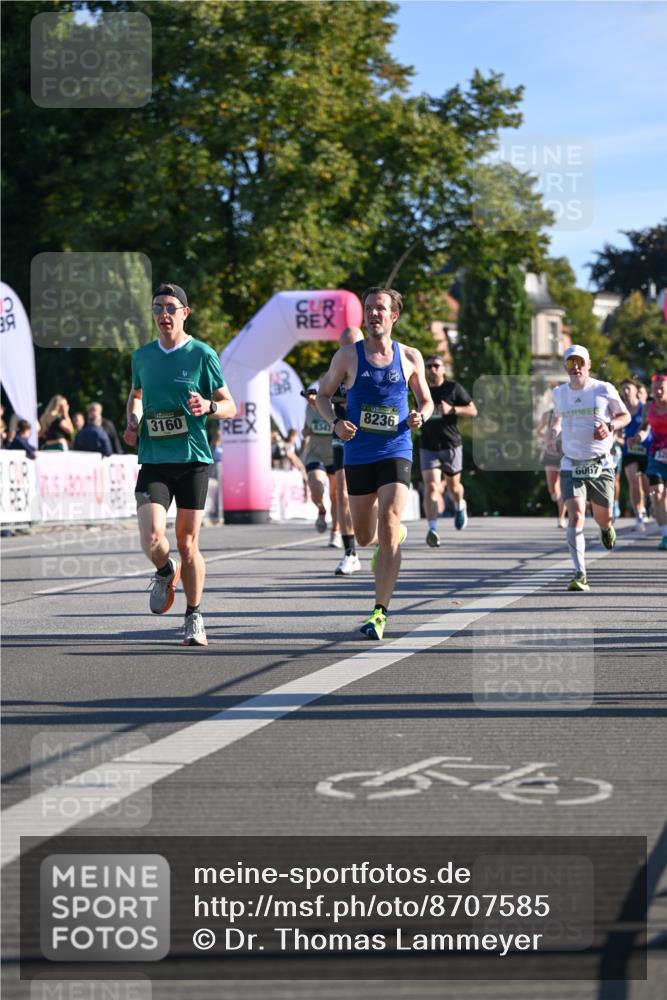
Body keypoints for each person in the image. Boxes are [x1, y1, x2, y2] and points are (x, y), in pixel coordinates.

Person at [124, 282, 236, 646]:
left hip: (192, 460)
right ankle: (163, 569)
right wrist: (133, 419)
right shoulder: (141, 356)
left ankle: (194, 615)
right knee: (153, 537)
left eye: (171, 307)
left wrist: (211, 407)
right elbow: (136, 397)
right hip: (154, 459)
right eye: (157, 308)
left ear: (185, 313)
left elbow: (231, 404)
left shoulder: (203, 354)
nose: (163, 315)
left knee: (188, 543)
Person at [316, 287, 432, 639]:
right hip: (359, 453)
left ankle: (379, 612)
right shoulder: (347, 357)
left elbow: (426, 401)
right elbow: (322, 395)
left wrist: (420, 417)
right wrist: (335, 421)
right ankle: (385, 539)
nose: (373, 314)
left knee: (390, 520)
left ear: (394, 315)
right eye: (368, 308)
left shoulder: (410, 356)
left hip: (396, 448)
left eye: (380, 308)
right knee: (366, 536)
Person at [546, 345, 630, 591]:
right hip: (571, 463)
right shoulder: (560, 393)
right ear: (565, 367)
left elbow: (624, 415)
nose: (576, 368)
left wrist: (610, 426)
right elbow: (558, 418)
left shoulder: (603, 389)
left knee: (603, 516)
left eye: (580, 363)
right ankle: (580, 572)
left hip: (601, 463)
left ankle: (606, 528)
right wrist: (553, 432)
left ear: (588, 364)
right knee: (577, 514)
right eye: (571, 363)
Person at [418, 355, 477, 546]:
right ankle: (432, 528)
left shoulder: (453, 388)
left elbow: (473, 410)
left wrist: (452, 410)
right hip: (428, 445)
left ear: (443, 369)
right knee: (432, 486)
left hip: (451, 445)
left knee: (453, 487)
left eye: (436, 366)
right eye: (429, 366)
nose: (432, 369)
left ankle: (460, 505)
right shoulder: (420, 389)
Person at [331, 327, 364, 575]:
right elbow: (323, 395)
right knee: (342, 493)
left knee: (371, 499)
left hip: (372, 440)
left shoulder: (377, 366)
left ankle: (386, 534)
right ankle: (350, 553)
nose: (348, 351)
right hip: (342, 436)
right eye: (344, 347)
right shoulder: (336, 368)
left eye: (353, 346)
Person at [628, 372, 667, 550]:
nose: (658, 392)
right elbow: (645, 426)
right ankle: (665, 535)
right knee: (657, 493)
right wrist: (638, 437)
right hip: (655, 455)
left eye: (662, 389)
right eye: (655, 389)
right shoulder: (648, 407)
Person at [301, 385, 340, 545]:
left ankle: (335, 532)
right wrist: (305, 432)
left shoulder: (331, 408)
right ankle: (321, 510)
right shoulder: (308, 409)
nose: (310, 398)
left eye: (313, 394)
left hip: (335, 454)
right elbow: (306, 428)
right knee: (316, 487)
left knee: (336, 497)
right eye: (306, 395)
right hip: (315, 454)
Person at [619, 378, 649, 530]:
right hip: (628, 451)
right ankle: (639, 513)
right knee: (633, 481)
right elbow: (616, 432)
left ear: (636, 391)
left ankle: (648, 507)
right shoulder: (620, 410)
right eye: (623, 389)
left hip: (646, 450)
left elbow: (649, 428)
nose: (625, 392)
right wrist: (615, 441)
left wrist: (639, 437)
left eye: (628, 388)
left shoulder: (645, 408)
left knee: (646, 486)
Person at [536, 407, 566, 528]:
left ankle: (561, 517)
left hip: (565, 452)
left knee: (563, 485)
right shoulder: (547, 415)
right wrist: (547, 438)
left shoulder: (570, 412)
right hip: (550, 453)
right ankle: (558, 498)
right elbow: (539, 430)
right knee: (552, 488)